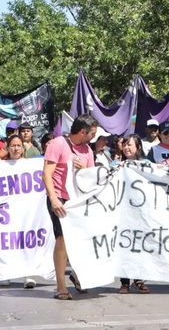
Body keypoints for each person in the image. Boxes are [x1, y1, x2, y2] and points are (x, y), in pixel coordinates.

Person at [43, 114, 97, 300]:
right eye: (92, 133)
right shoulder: (58, 144)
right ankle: (61, 286)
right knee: (62, 239)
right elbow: (47, 174)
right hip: (60, 197)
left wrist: (84, 169)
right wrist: (53, 199)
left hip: (79, 200)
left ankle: (77, 274)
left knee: (82, 240)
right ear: (83, 131)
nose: (94, 137)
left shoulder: (88, 151)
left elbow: (91, 177)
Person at [0, 134, 38, 289]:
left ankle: (27, 274)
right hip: (6, 210)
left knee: (26, 240)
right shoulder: (0, 165)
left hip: (25, 210)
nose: (15, 149)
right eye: (12, 145)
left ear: (23, 147)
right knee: (7, 241)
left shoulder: (31, 165)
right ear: (7, 147)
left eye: (18, 145)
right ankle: (6, 273)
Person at [118, 134, 151, 294]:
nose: (126, 148)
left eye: (129, 145)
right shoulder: (117, 164)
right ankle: (124, 282)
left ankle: (138, 279)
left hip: (141, 212)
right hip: (122, 212)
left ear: (138, 147)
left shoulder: (147, 165)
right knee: (124, 245)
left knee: (140, 245)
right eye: (124, 145)